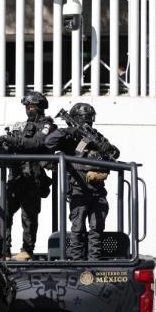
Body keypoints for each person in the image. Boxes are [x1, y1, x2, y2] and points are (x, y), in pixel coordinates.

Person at [44, 103, 119, 261]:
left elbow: (114, 153)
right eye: (86, 118)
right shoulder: (69, 138)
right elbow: (49, 142)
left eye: (90, 117)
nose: (89, 121)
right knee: (77, 229)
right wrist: (68, 131)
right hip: (78, 189)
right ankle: (77, 261)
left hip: (97, 191)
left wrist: (104, 146)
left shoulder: (96, 136)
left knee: (96, 229)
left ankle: (94, 261)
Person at [0, 91, 56, 261]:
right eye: (27, 106)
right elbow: (13, 145)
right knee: (3, 213)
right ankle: (4, 250)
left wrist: (14, 141)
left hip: (33, 177)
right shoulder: (20, 126)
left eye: (32, 106)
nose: (29, 109)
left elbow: (36, 143)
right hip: (15, 176)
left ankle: (27, 250)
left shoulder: (47, 126)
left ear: (40, 107)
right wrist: (4, 146)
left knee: (28, 217)